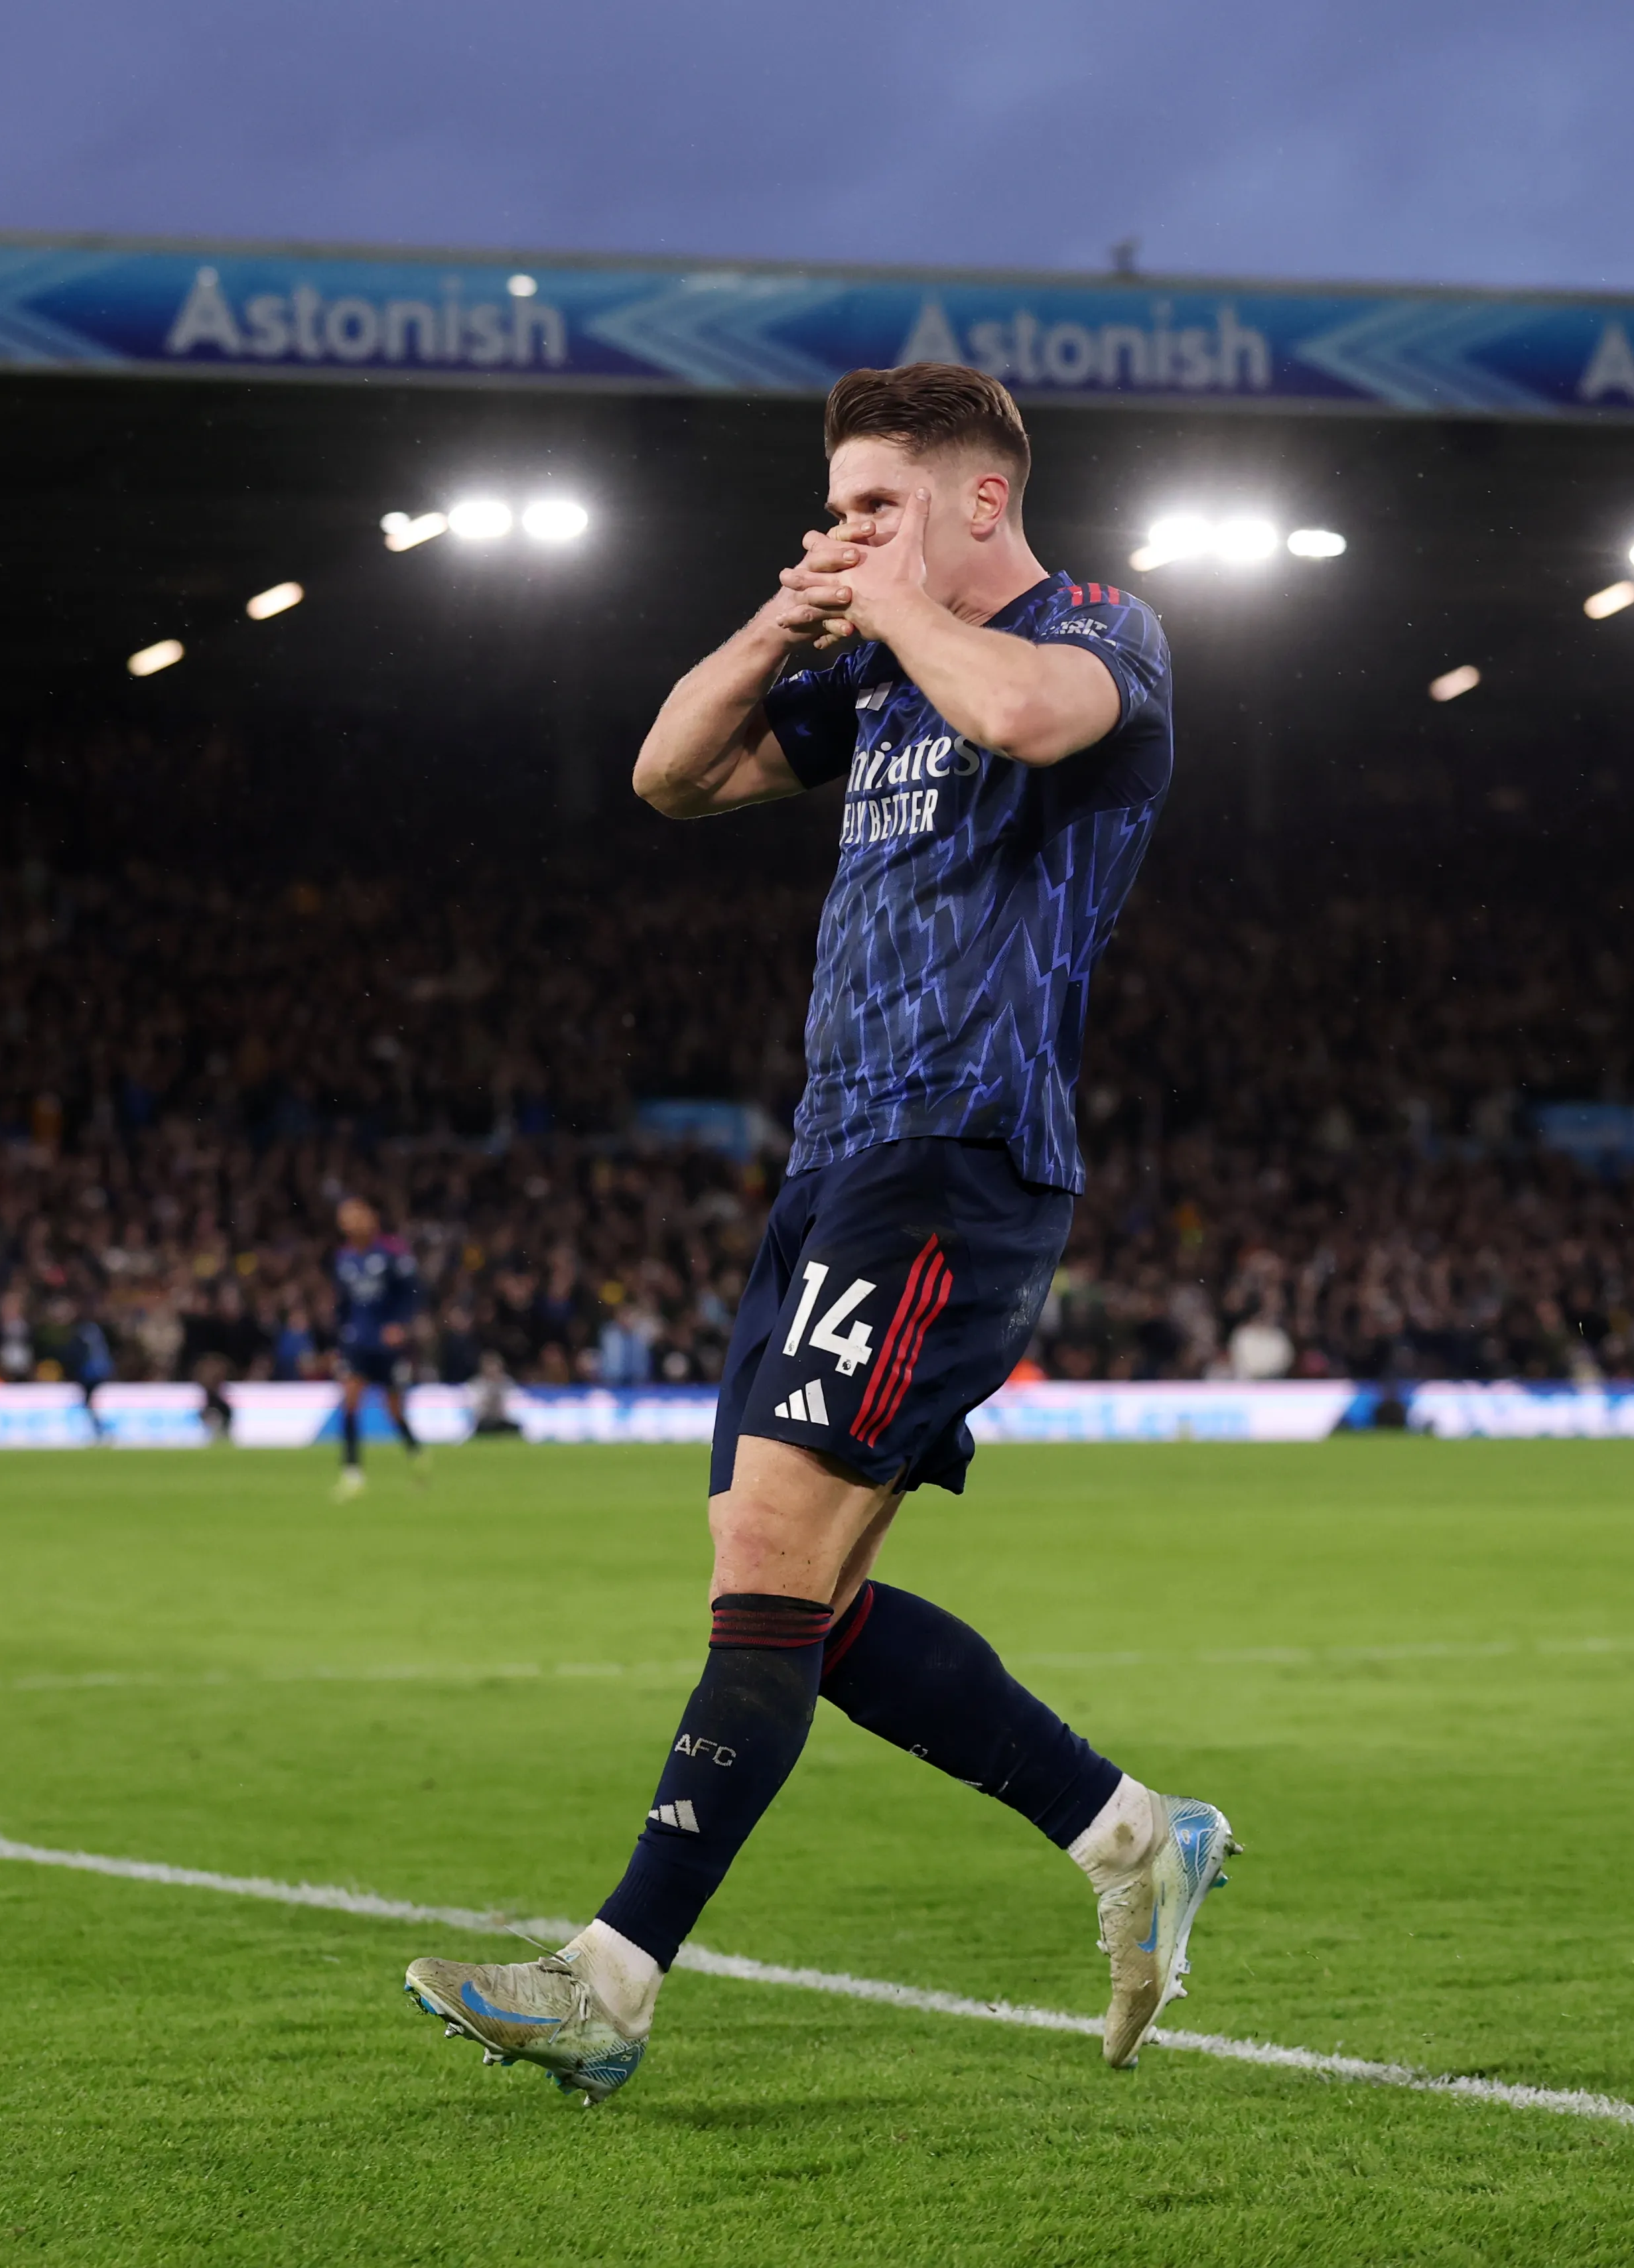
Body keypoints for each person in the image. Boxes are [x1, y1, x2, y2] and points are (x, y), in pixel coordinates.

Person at [401, 362, 1233, 2105]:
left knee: (772, 1567)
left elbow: (1018, 720)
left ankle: (609, 1982)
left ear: (982, 501)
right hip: (829, 1163)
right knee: (802, 1608)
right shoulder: (864, 667)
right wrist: (791, 615)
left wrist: (901, 604)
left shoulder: (1103, 633)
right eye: (836, 507)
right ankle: (1129, 1831)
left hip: (959, 1153)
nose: (849, 534)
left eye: (878, 505)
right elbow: (669, 773)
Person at [327, 1196, 428, 1500]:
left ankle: (417, 1454)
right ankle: (352, 1472)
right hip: (357, 1343)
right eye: (345, 1217)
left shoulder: (392, 1253)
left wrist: (401, 1324)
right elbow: (342, 1304)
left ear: (371, 1218)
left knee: (394, 1410)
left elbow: (413, 1292)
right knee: (350, 1402)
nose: (352, 1222)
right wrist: (338, 1340)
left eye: (357, 1215)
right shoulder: (343, 1259)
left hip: (387, 1346)